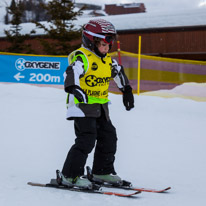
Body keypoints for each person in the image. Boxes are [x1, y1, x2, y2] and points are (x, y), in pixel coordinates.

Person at [61, 19, 134, 189]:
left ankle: (101, 171)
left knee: (109, 137)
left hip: (101, 106)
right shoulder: (83, 57)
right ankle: (69, 175)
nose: (106, 48)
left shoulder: (107, 60)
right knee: (86, 140)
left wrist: (127, 91)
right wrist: (74, 88)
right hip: (82, 106)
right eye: (102, 44)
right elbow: (71, 73)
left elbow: (119, 73)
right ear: (90, 41)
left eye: (109, 45)